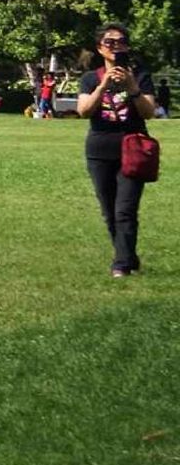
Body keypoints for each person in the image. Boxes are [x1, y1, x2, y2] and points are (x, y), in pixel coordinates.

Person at [77, 23, 155, 277]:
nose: (115, 46)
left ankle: (120, 264)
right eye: (109, 42)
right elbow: (84, 111)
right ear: (100, 48)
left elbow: (149, 112)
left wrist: (132, 87)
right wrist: (103, 86)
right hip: (99, 150)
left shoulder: (140, 76)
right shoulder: (91, 78)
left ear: (127, 46)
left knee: (125, 209)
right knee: (109, 210)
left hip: (133, 148)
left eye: (121, 42)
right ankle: (128, 257)